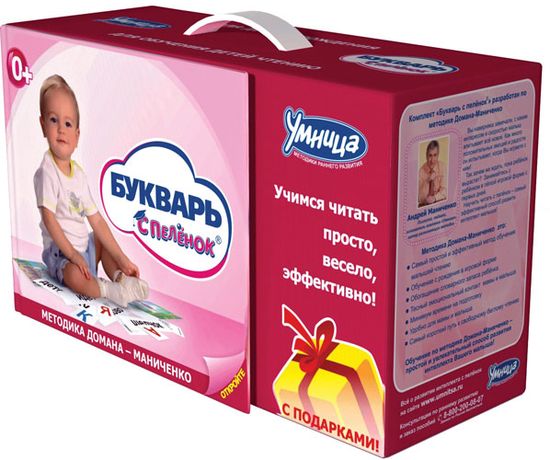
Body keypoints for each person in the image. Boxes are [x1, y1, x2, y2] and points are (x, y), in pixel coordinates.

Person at [34, 74, 148, 306]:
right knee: (73, 275)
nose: (61, 129)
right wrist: (73, 255)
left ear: (77, 136)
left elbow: (97, 221)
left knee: (101, 240)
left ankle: (121, 279)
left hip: (84, 250)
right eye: (53, 120)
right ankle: (109, 291)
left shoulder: (79, 175)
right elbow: (49, 219)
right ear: (43, 125)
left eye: (68, 124)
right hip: (62, 254)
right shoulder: (47, 171)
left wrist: (122, 259)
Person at [418, 140, 447, 207]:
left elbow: (445, 190)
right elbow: (419, 198)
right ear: (426, 156)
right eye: (430, 155)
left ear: (438, 155)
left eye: (435, 155)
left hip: (439, 204)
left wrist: (435, 198)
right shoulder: (421, 171)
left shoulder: (442, 167)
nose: (432, 160)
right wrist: (427, 181)